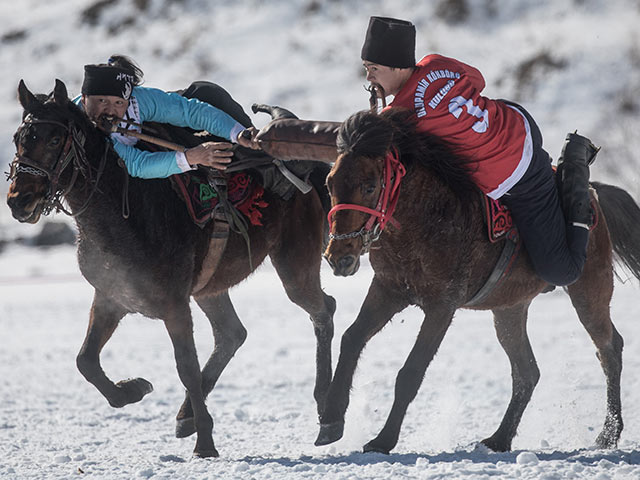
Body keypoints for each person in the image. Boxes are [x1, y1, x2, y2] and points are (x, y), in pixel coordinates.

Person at [360, 16, 599, 286]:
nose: (369, 77)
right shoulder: (435, 63)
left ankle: (574, 171)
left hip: (519, 173)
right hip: (515, 119)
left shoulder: (401, 115)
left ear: (397, 66)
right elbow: (478, 80)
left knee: (561, 273)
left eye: (373, 68)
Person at [75, 54, 258, 179]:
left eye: (118, 103)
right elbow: (136, 164)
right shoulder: (75, 125)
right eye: (101, 101)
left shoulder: (139, 100)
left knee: (207, 93)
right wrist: (192, 157)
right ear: (84, 99)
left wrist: (237, 133)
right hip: (118, 167)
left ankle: (258, 153)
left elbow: (190, 112)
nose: (109, 110)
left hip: (146, 130)